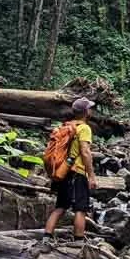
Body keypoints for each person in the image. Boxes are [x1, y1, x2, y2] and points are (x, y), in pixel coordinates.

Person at [44, 97, 98, 240]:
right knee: (81, 209)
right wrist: (91, 176)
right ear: (86, 112)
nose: (91, 110)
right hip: (77, 172)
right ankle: (79, 242)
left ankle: (46, 237)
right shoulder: (84, 128)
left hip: (63, 171)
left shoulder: (66, 126)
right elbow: (85, 152)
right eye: (90, 108)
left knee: (60, 207)